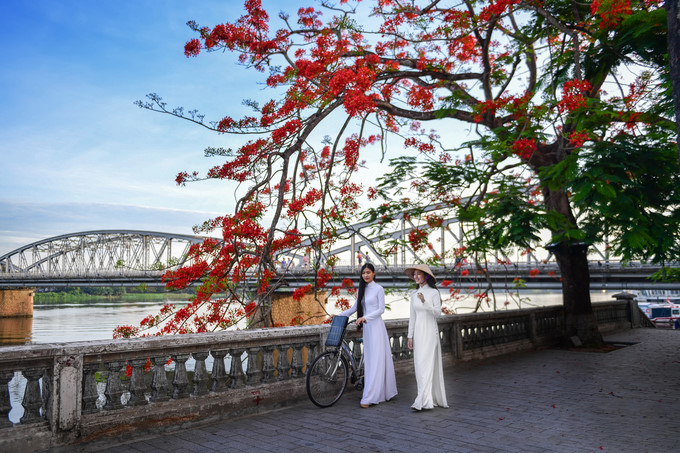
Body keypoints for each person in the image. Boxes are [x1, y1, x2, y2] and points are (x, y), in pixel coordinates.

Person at [332, 263, 397, 408]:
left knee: (376, 361)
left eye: (368, 272)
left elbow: (381, 310)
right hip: (367, 329)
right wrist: (338, 315)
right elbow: (355, 308)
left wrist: (365, 318)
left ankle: (371, 396)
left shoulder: (378, 289)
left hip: (376, 327)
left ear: (374, 273)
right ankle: (375, 391)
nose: (366, 275)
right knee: (370, 360)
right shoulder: (362, 290)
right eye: (363, 273)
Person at [405, 264, 448, 411]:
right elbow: (412, 316)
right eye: (414, 274)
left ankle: (423, 400)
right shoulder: (413, 294)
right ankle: (423, 397)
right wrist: (410, 336)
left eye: (418, 274)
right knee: (419, 366)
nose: (416, 277)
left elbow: (437, 314)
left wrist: (425, 301)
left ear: (426, 276)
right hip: (418, 332)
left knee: (427, 365)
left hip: (430, 332)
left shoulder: (434, 293)